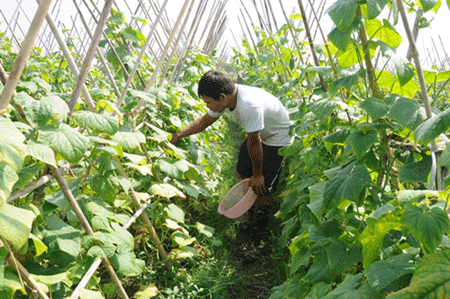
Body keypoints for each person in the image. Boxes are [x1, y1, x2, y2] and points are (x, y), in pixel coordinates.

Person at [171, 70, 292, 243]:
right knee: (244, 167)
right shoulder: (228, 98)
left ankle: (260, 234)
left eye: (208, 102)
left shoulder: (249, 106)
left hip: (277, 138)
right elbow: (205, 121)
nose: (207, 107)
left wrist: (258, 175)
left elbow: (255, 143)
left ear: (222, 97)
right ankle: (249, 213)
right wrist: (179, 135)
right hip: (261, 134)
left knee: (263, 184)